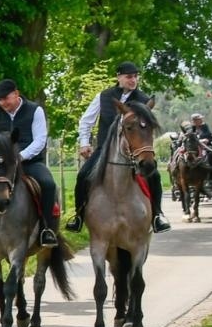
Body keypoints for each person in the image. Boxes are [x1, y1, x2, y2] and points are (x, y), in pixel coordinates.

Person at [67, 61, 169, 233]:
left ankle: (157, 215)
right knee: (83, 175)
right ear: (119, 77)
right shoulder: (103, 96)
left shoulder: (144, 100)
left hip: (135, 151)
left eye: (135, 77)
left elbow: (147, 127)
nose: (133, 80)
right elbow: (86, 121)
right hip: (105, 148)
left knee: (154, 175)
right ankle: (78, 216)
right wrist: (84, 143)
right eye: (129, 77)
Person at [0, 79, 60, 246]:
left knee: (48, 184)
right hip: (2, 165)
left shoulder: (35, 110)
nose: (2, 103)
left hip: (29, 161)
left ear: (16, 94)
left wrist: (20, 156)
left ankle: (46, 229)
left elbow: (40, 140)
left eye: (5, 98)